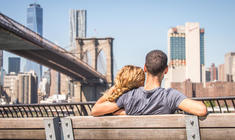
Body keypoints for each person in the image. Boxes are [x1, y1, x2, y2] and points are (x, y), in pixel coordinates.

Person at [91, 50, 207, 117]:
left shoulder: (128, 96)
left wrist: (116, 88)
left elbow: (95, 110)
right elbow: (201, 110)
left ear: (145, 68)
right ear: (166, 70)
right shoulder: (170, 96)